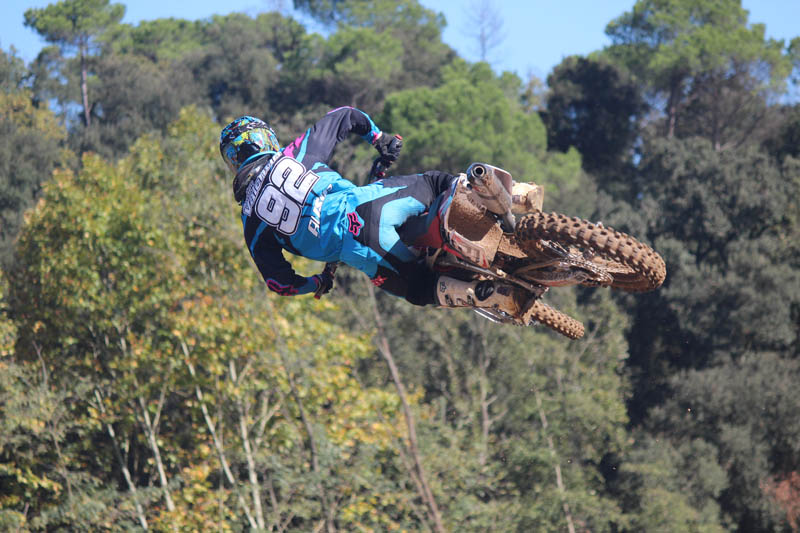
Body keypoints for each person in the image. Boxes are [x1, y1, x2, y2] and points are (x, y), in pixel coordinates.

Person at [219, 106, 532, 313]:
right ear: (264, 138)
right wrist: (378, 138)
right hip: (368, 205)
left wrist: (317, 282)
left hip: (362, 250)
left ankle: (484, 295)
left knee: (419, 288)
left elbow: (280, 283)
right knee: (438, 183)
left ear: (234, 161)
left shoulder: (252, 223)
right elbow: (344, 115)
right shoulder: (294, 155)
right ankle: (505, 195)